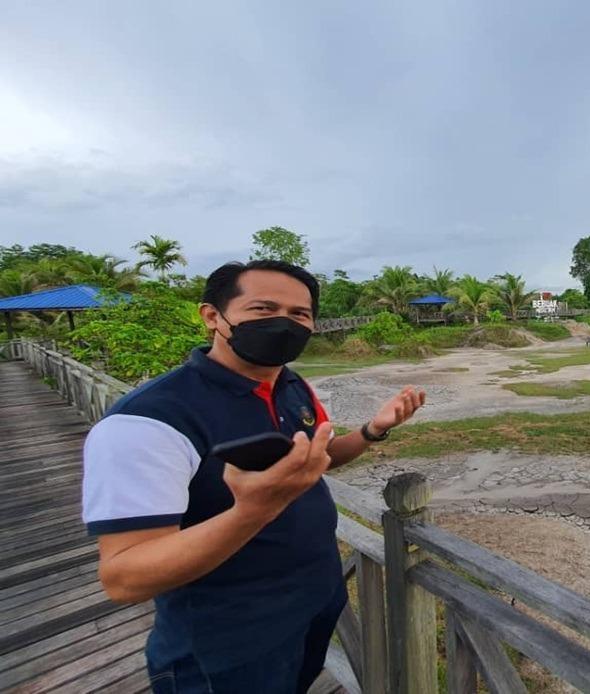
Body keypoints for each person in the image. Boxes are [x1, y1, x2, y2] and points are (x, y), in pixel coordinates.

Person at [81, 260, 426, 693]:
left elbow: (320, 458)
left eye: (299, 314)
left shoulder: (292, 386)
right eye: (264, 309)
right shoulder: (148, 420)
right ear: (212, 316)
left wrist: (373, 430)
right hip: (225, 643)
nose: (284, 323)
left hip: (310, 610)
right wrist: (253, 512)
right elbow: (124, 577)